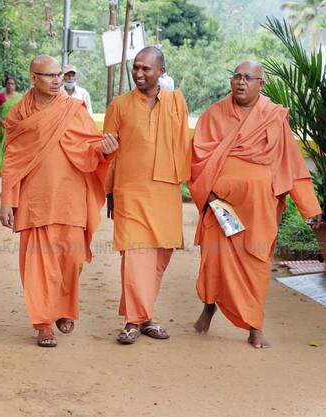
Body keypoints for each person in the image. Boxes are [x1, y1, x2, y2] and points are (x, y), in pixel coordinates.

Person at [189, 61, 321, 348]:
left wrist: (310, 209)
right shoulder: (214, 115)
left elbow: (292, 165)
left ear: (261, 84)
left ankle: (254, 326)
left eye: (248, 78)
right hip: (220, 208)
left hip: (259, 211)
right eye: (236, 76)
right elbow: (198, 161)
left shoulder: (274, 117)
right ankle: (209, 308)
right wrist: (211, 199)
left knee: (257, 265)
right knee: (214, 264)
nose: (240, 82)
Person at [0, 55, 117, 347]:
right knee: (37, 264)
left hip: (70, 197)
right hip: (36, 199)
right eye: (48, 75)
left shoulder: (74, 109)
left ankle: (63, 309)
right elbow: (13, 160)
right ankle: (43, 323)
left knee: (72, 259)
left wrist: (103, 149)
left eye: (58, 75)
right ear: (33, 78)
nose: (55, 81)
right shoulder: (19, 114)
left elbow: (90, 143)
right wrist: (7, 200)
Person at [104, 47, 191, 345]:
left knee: (158, 256)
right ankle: (133, 321)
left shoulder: (177, 103)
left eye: (146, 69)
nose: (139, 74)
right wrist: (109, 192)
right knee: (135, 255)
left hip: (165, 190)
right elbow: (110, 154)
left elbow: (184, 145)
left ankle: (144, 316)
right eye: (136, 68)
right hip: (130, 190)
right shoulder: (119, 105)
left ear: (161, 72)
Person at [0, 77, 23, 177]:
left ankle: (14, 170)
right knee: (3, 147)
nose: (10, 85)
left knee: (15, 148)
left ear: (15, 85)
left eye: (12, 84)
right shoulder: (1, 96)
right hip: (4, 125)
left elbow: (22, 112)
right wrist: (1, 121)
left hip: (16, 126)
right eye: (8, 83)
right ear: (5, 85)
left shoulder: (20, 97)